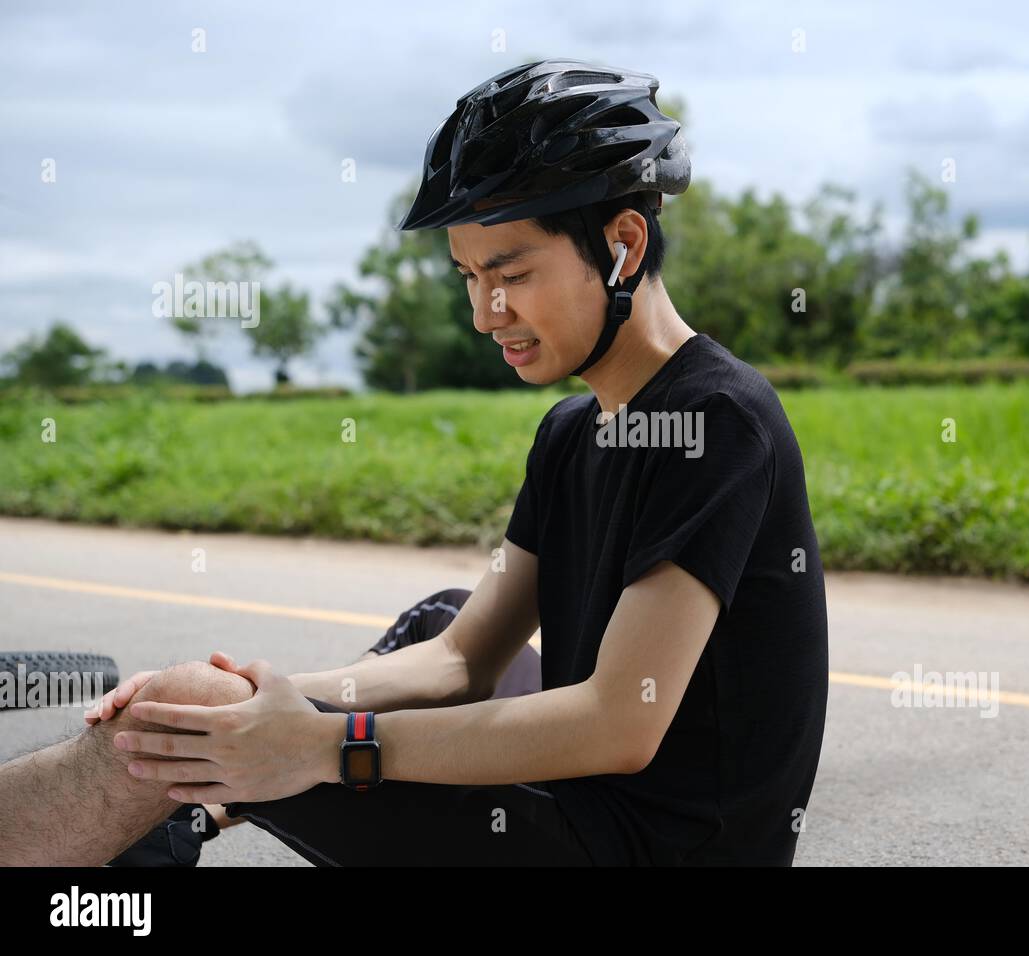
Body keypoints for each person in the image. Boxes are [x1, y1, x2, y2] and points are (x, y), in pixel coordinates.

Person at [0, 57, 828, 867]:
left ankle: (165, 804)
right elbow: (463, 659)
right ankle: (186, 808)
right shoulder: (572, 432)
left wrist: (326, 745)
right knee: (432, 622)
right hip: (580, 806)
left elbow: (619, 725)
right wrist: (269, 708)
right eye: (469, 277)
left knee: (194, 706)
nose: (483, 313)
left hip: (647, 845)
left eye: (510, 274)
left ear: (622, 244)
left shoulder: (714, 418)